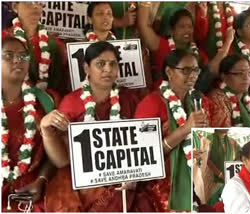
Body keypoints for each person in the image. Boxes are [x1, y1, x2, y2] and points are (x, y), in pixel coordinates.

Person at [41, 42, 154, 212]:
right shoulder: (71, 102)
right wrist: (46, 129)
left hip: (121, 175)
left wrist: (134, 175)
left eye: (113, 64)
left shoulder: (130, 99)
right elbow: (62, 161)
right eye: (100, 64)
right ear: (86, 68)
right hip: (80, 178)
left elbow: (141, 146)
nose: (108, 69)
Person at [135, 49, 212, 211]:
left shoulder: (200, 101)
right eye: (185, 70)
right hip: (162, 185)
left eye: (196, 70)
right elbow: (144, 155)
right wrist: (185, 130)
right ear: (169, 72)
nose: (192, 75)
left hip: (197, 178)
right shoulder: (151, 103)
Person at [1, 37, 57, 212]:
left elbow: (53, 155)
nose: (17, 60)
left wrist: (41, 180)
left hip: (34, 189)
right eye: (8, 55)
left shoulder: (45, 101)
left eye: (23, 56)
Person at [2, 2, 68, 95]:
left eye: (40, 2)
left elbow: (60, 84)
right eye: (30, 2)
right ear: (15, 7)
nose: (36, 6)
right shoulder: (3, 38)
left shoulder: (56, 45)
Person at [207, 55, 250, 127]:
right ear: (224, 77)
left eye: (249, 72)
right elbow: (222, 132)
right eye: (240, 73)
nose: (246, 77)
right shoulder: (217, 98)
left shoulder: (246, 99)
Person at [206, 129, 241, 206]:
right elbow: (206, 160)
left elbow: (240, 157)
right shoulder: (209, 139)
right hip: (213, 182)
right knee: (213, 207)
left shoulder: (232, 141)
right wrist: (221, 175)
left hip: (229, 182)